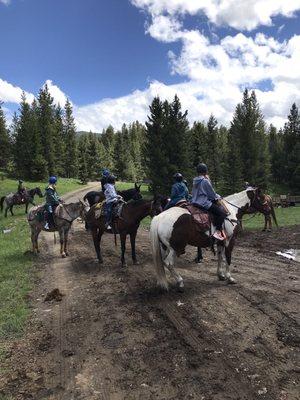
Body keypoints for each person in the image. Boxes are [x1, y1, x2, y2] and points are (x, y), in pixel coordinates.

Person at [191, 163, 227, 241]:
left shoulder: (195, 180)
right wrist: (218, 197)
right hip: (204, 203)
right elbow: (212, 194)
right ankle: (218, 231)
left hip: (194, 202)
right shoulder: (205, 181)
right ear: (205, 171)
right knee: (221, 213)